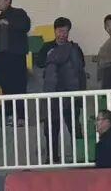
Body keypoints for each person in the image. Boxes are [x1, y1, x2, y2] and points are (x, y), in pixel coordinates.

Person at [36, 17, 86, 160]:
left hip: (70, 92)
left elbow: (80, 68)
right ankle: (52, 157)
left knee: (74, 125)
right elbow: (39, 63)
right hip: (52, 92)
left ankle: (81, 155)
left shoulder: (75, 48)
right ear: (54, 31)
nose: (63, 34)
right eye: (60, 31)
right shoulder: (47, 47)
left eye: (65, 31)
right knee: (51, 127)